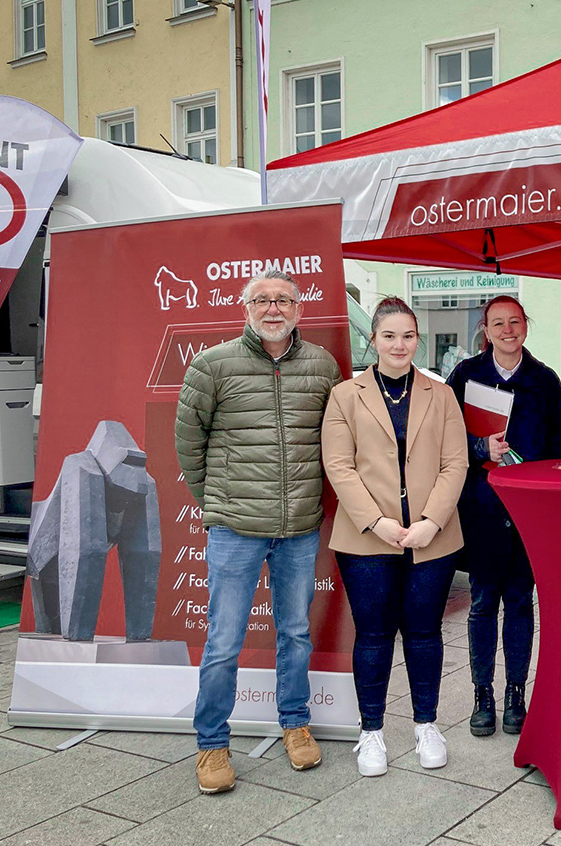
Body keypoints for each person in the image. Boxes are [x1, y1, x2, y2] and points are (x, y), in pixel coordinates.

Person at [175, 270, 341, 795]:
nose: (274, 309)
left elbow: (337, 438)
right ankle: (211, 746)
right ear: (245, 307)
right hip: (235, 529)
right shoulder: (212, 364)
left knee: (294, 632)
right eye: (263, 300)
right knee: (224, 640)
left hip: (298, 529)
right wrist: (218, 504)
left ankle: (295, 724)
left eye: (284, 300)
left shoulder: (322, 365)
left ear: (299, 307)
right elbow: (188, 443)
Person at [322, 297, 467, 777]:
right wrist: (377, 522)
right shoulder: (346, 395)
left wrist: (431, 520)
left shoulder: (440, 394)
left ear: (417, 340)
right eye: (389, 335)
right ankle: (371, 733)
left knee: (424, 632)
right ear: (373, 339)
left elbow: (455, 463)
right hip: (367, 538)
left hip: (432, 536)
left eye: (408, 335)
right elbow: (339, 467)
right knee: (375, 633)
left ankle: (427, 724)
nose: (399, 344)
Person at [446, 296, 561, 737]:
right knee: (482, 605)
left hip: (529, 512)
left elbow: (560, 448)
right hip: (480, 508)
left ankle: (517, 692)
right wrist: (481, 449)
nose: (507, 330)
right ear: (485, 328)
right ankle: (483, 694)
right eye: (497, 323)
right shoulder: (464, 375)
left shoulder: (545, 380)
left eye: (514, 322)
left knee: (520, 602)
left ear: (526, 326)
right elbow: (442, 437)